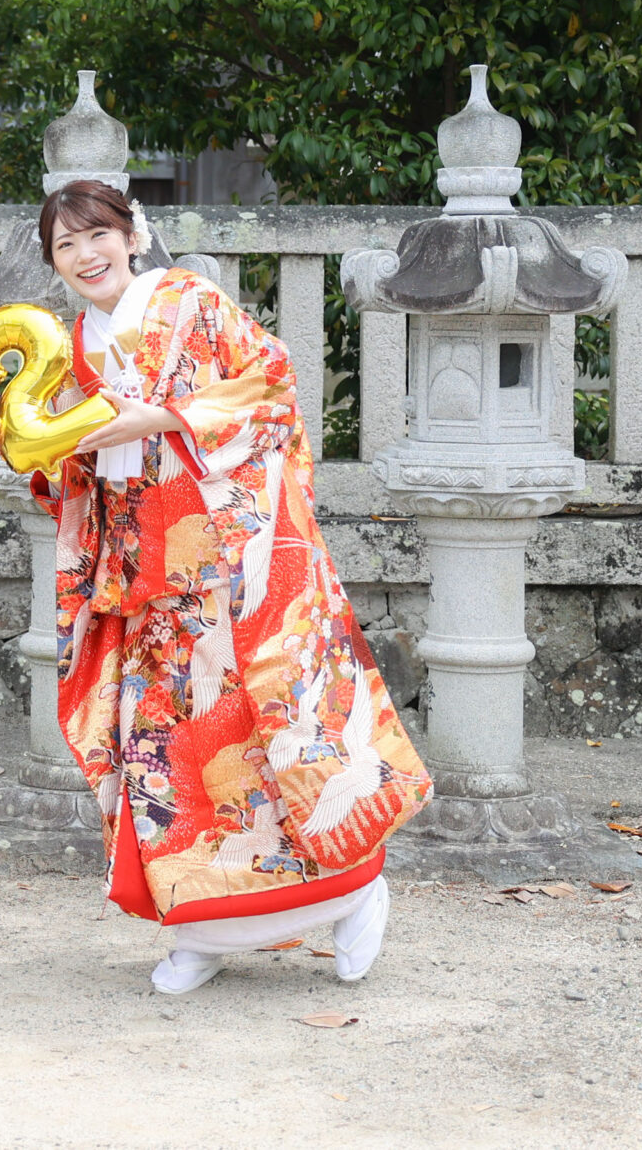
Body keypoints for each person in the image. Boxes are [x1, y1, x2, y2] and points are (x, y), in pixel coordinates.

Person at [31, 179, 429, 994]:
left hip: (234, 571)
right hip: (145, 587)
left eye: (97, 234)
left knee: (273, 741)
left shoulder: (191, 302)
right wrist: (48, 456)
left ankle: (354, 894)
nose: (85, 255)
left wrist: (164, 417)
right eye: (65, 246)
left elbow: (271, 386)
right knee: (174, 758)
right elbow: (73, 472)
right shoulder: (75, 344)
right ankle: (204, 926)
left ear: (132, 234)